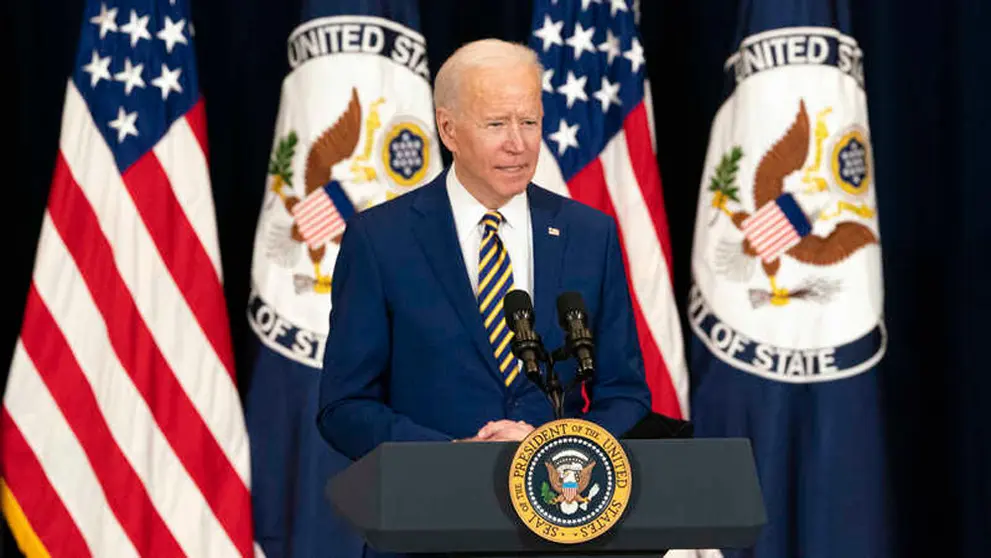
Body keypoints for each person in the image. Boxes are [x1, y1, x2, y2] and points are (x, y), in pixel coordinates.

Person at [316, 38, 651, 459]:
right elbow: (344, 407)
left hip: (559, 501)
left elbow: (624, 394)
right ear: (448, 129)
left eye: (529, 122)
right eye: (496, 124)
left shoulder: (589, 234)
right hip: (431, 506)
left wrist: (554, 449)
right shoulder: (380, 240)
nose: (518, 143)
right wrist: (455, 454)